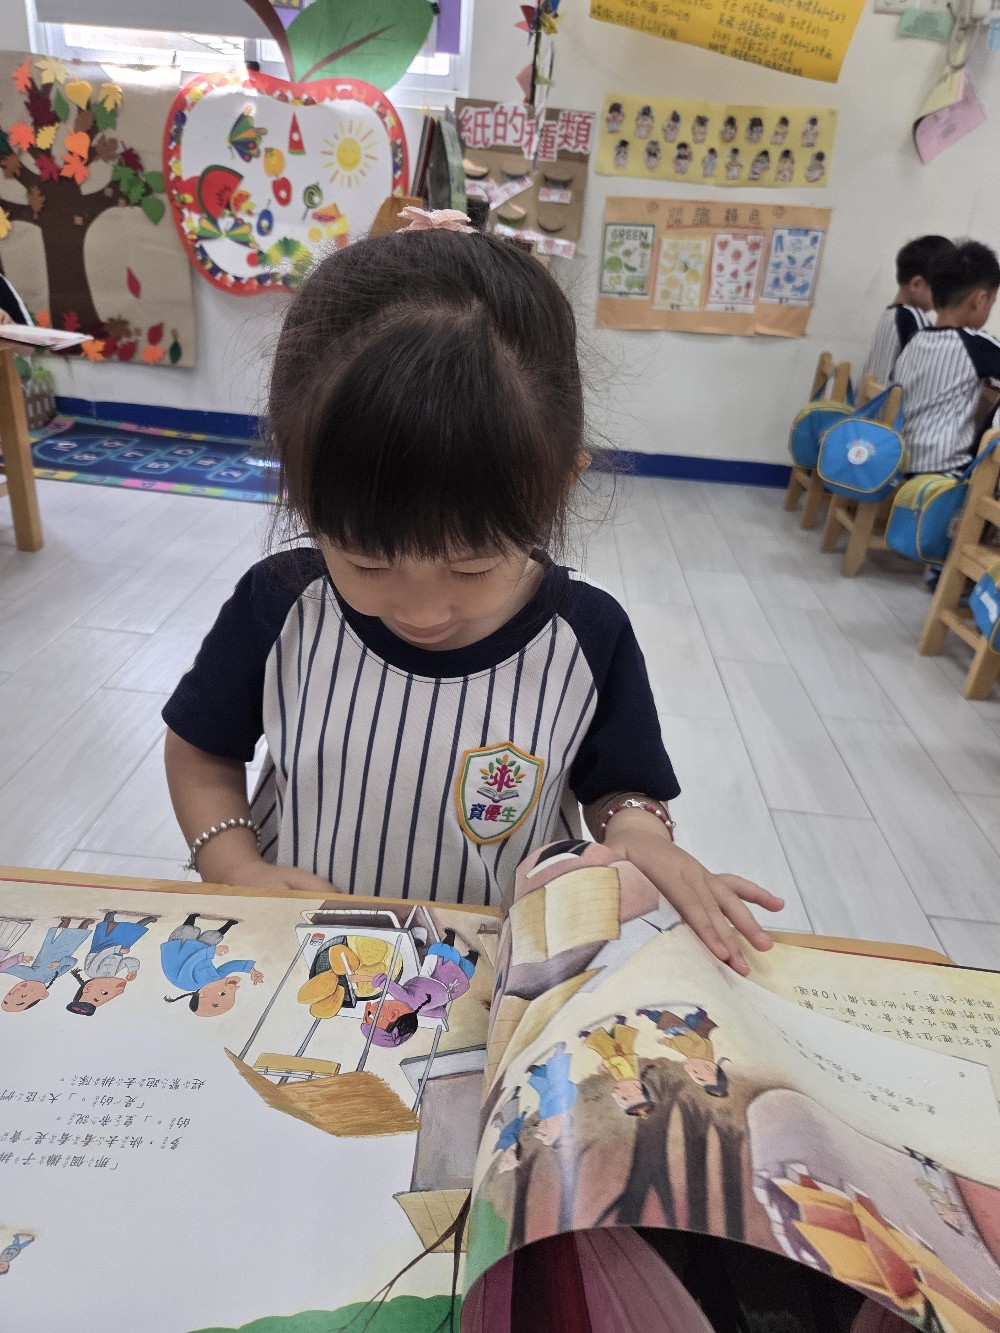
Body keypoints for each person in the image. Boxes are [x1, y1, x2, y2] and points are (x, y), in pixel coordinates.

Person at [162, 217, 783, 975]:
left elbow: (621, 785)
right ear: (301, 492)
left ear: (558, 487)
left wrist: (640, 833)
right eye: (367, 562)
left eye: (472, 566)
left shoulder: (587, 636)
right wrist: (233, 865)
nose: (422, 611)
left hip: (493, 971)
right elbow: (203, 749)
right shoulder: (282, 604)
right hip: (301, 953)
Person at [893, 240, 1000, 477]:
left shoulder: (915, 338)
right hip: (943, 473)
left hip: (897, 463)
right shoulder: (975, 344)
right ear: (979, 300)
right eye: (992, 304)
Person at [860, 235, 955, 386]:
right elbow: (933, 369)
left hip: (869, 399)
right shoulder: (912, 318)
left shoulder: (890, 314)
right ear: (916, 284)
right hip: (891, 400)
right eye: (942, 288)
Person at [161, 913, 262, 1016]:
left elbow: (190, 962)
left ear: (204, 993)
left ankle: (191, 917)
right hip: (201, 951)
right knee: (213, 938)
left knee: (188, 932)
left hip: (179, 951)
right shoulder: (215, 980)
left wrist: (211, 952)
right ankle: (229, 924)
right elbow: (230, 967)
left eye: (222, 993)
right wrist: (252, 970)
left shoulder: (186, 983)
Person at [2, 917, 96, 1012]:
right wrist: (60, 963)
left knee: (58, 934)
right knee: (76, 938)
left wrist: (20, 959)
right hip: (67, 950)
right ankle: (85, 924)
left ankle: (66, 922)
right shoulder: (51, 977)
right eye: (23, 995)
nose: (18, 991)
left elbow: (5, 968)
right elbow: (72, 962)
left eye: (10, 993)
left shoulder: (29, 975)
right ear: (43, 995)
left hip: (49, 949)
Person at [579, 1018, 654, 1115]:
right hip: (620, 1055)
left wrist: (608, 1065)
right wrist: (609, 1062)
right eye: (625, 1098)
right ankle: (590, 1035)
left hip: (616, 1057)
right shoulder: (629, 1078)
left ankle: (620, 1023)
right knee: (607, 1044)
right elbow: (623, 1063)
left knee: (615, 1041)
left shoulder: (625, 1081)